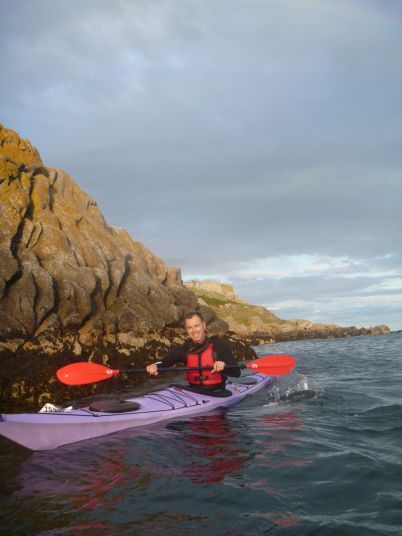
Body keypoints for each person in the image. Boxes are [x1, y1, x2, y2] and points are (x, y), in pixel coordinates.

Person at [146, 311, 240, 391]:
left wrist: (224, 366)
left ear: (203, 325)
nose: (194, 330)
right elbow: (164, 362)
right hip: (194, 392)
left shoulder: (219, 346)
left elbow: (236, 373)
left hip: (218, 392)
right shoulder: (183, 349)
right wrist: (155, 366)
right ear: (186, 330)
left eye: (196, 326)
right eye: (189, 327)